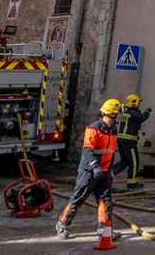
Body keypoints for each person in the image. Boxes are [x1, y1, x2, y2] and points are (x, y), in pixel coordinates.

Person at [56, 98, 122, 240]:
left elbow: (110, 151)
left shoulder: (114, 130)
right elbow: (87, 149)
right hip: (89, 171)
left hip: (104, 172)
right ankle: (62, 224)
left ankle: (104, 231)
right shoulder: (94, 128)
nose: (117, 116)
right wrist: (94, 166)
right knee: (79, 197)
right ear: (109, 114)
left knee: (105, 201)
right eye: (116, 114)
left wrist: (110, 170)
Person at [112, 94, 152, 191]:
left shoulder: (127, 112)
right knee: (134, 162)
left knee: (125, 161)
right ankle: (132, 184)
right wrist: (147, 112)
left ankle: (110, 173)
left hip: (122, 141)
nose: (138, 104)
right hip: (129, 142)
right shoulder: (131, 112)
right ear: (133, 102)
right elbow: (141, 118)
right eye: (138, 102)